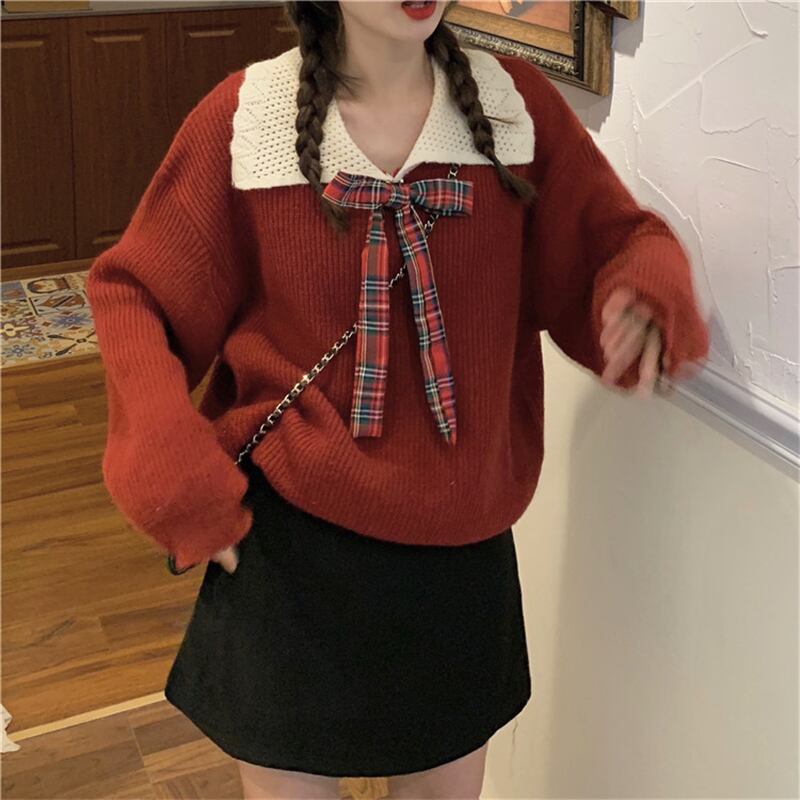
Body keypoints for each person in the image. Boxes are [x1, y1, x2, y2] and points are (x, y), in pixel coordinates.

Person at [85, 1, 710, 797]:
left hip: (457, 558)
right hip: (289, 555)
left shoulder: (514, 113)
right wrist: (168, 465)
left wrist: (643, 288)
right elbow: (136, 293)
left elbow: (616, 240)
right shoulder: (247, 121)